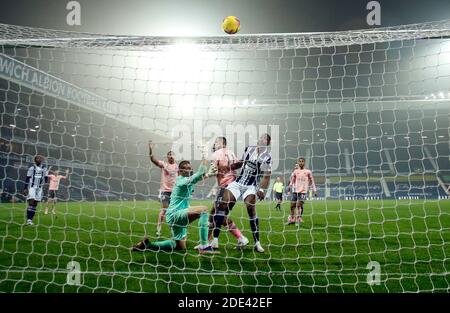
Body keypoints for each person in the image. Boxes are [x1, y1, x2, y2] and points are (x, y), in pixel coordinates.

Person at [132, 146, 218, 254]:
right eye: (187, 168)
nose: (190, 169)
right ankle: (204, 246)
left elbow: (198, 177)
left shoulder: (185, 180)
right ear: (180, 170)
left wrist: (209, 174)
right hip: (175, 214)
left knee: (179, 246)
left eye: (190, 167)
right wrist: (205, 155)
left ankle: (148, 245)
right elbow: (199, 174)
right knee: (204, 210)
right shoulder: (181, 181)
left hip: (174, 216)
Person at [212, 133, 272, 253]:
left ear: (268, 143)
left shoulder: (267, 157)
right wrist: (233, 165)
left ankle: (257, 243)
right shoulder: (249, 148)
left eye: (265, 139)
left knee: (250, 207)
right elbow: (242, 162)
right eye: (261, 137)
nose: (262, 139)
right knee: (223, 204)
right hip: (238, 183)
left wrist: (261, 190)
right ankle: (215, 240)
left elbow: (267, 176)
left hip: (251, 186)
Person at [197, 136, 248, 250]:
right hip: (234, 187)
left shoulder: (216, 154)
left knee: (218, 215)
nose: (214, 144)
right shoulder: (231, 153)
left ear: (221, 143)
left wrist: (201, 177)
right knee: (214, 214)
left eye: (216, 142)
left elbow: (212, 170)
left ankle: (239, 238)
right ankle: (207, 241)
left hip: (226, 186)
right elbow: (238, 164)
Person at [148, 140, 178, 237]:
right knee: (164, 209)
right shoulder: (164, 164)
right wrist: (151, 150)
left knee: (175, 211)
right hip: (165, 191)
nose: (170, 156)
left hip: (175, 192)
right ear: (167, 157)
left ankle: (176, 229)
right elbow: (153, 160)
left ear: (175, 156)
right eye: (169, 154)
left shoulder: (178, 167)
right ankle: (159, 229)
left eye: (172, 154)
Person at [287, 157, 317, 225]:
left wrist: (315, 190)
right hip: (295, 191)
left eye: (302, 161)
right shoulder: (295, 171)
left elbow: (312, 181)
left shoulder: (308, 171)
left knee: (299, 205)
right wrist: (289, 187)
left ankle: (298, 219)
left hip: (303, 191)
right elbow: (292, 181)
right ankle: (292, 219)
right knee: (292, 206)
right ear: (298, 162)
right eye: (300, 161)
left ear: (304, 162)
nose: (301, 162)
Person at [24, 155, 49, 225]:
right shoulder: (32, 168)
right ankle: (28, 219)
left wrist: (46, 183)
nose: (39, 159)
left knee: (35, 204)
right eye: (37, 158)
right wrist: (25, 188)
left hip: (40, 188)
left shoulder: (44, 169)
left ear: (42, 160)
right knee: (31, 202)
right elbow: (27, 178)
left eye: (40, 158)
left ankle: (30, 220)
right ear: (35, 160)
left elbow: (46, 178)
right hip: (32, 187)